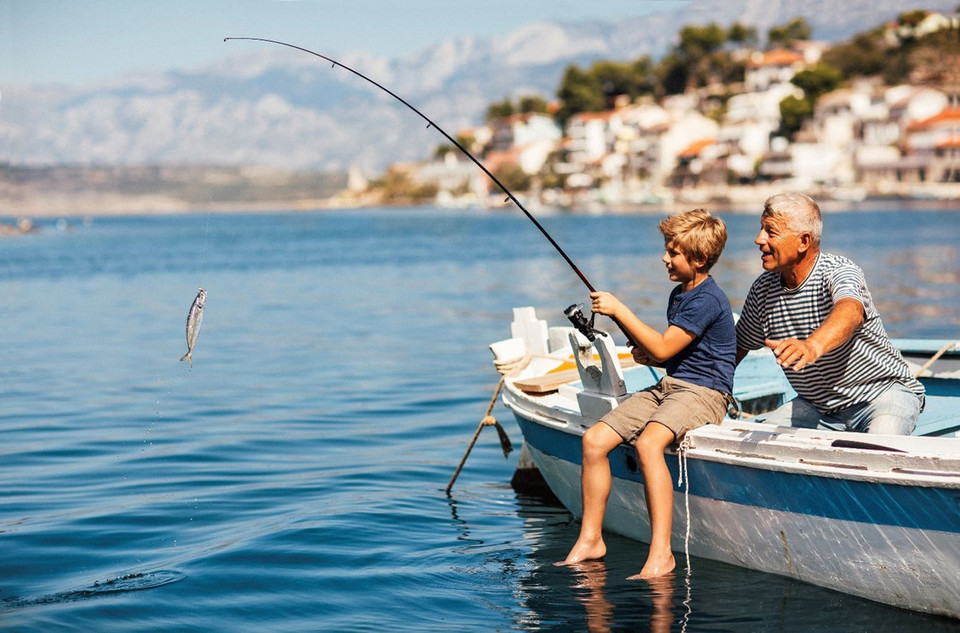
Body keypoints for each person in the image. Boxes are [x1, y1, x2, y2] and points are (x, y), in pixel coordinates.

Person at [560, 209, 736, 579]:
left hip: (706, 392)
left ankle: (662, 554)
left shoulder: (708, 298)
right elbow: (666, 350)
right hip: (671, 387)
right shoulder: (680, 294)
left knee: (648, 444)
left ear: (699, 259)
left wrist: (620, 310)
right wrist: (645, 351)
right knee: (594, 440)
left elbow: (662, 348)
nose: (664, 258)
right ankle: (591, 538)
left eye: (673, 252)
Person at [735, 192, 925, 434]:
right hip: (818, 408)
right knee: (757, 445)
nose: (758, 239)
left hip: (882, 396)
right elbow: (736, 348)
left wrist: (811, 346)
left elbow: (850, 311)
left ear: (803, 241)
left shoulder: (839, 270)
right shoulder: (762, 290)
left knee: (879, 454)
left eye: (770, 232)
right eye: (761, 229)